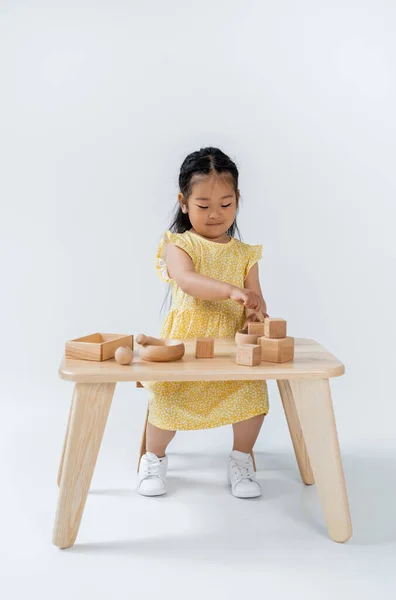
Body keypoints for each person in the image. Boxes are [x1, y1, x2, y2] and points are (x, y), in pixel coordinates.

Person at [138, 147, 269, 499]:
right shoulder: (178, 244)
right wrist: (230, 290)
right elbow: (187, 281)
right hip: (186, 342)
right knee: (166, 399)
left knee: (252, 397)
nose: (215, 215)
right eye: (203, 205)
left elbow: (254, 295)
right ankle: (154, 458)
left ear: (237, 200)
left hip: (231, 344)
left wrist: (256, 311)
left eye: (225, 205)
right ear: (183, 202)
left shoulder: (245, 254)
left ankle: (241, 460)